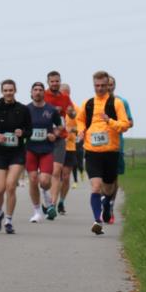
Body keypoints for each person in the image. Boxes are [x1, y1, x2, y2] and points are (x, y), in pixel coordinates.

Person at [76, 70, 132, 235]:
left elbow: (125, 124)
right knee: (95, 187)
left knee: (108, 188)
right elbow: (80, 120)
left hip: (111, 151)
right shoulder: (88, 103)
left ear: (108, 85)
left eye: (102, 86)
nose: (99, 89)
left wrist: (110, 122)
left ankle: (107, 203)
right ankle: (97, 220)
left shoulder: (117, 103)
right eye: (96, 86)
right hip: (92, 151)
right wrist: (81, 131)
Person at [0, 79, 32, 234]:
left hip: (17, 152)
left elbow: (30, 131)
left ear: (15, 91)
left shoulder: (23, 109)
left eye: (11, 90)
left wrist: (22, 133)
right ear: (2, 92)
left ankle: (9, 221)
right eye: (6, 90)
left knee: (11, 186)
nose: (8, 93)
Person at [24, 82, 62, 223]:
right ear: (31, 92)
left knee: (45, 182)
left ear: (43, 93)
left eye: (40, 90)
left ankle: (46, 194)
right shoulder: (25, 109)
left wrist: (55, 134)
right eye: (35, 90)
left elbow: (59, 127)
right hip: (30, 149)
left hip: (46, 150)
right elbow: (20, 127)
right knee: (33, 179)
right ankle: (37, 211)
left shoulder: (51, 110)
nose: (38, 92)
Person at [43, 70, 73, 214]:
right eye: (52, 81)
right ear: (48, 82)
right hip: (44, 138)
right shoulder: (43, 95)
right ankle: (47, 197)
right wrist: (54, 109)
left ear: (60, 82)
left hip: (60, 138)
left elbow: (72, 112)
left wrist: (70, 111)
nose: (55, 83)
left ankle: (52, 205)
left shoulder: (65, 97)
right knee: (44, 176)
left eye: (57, 81)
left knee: (57, 172)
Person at [106, 75, 134, 224]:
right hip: (97, 147)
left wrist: (118, 124)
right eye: (106, 84)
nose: (108, 87)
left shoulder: (122, 102)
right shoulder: (94, 103)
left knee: (113, 178)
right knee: (100, 178)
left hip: (116, 146)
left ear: (114, 86)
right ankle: (103, 203)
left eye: (111, 84)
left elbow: (130, 122)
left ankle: (109, 205)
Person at [56, 83, 79, 211]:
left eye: (66, 93)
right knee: (54, 175)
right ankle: (51, 201)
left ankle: (61, 201)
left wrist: (71, 130)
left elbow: (81, 126)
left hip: (70, 147)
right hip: (56, 146)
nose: (64, 95)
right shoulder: (55, 108)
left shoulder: (75, 109)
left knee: (65, 177)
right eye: (62, 93)